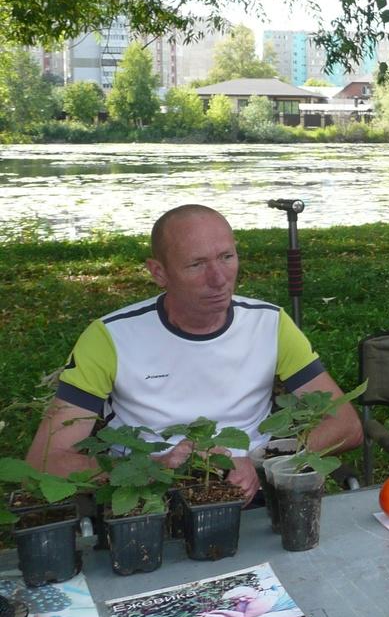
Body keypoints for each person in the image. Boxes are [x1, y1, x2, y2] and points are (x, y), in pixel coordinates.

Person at [25, 204, 362, 500]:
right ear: (158, 272)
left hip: (253, 488)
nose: (219, 279)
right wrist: (150, 470)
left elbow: (346, 425)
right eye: (196, 264)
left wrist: (263, 464)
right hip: (149, 495)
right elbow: (46, 460)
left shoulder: (270, 324)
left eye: (227, 257)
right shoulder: (111, 337)